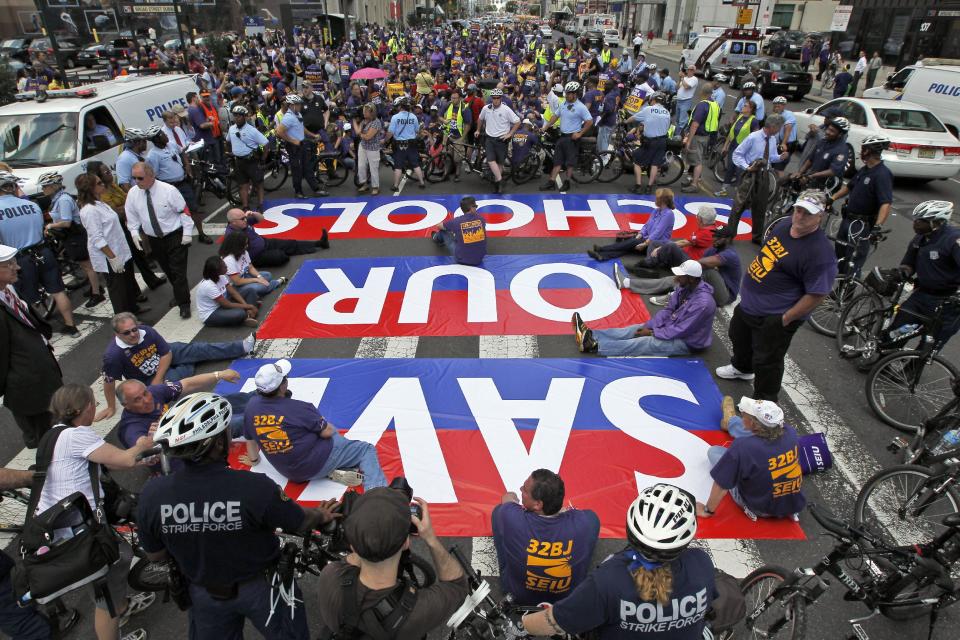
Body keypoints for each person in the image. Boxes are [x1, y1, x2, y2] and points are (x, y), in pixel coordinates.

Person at [137, 391, 339, 639]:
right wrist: (321, 515)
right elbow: (299, 521)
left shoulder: (152, 494)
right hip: (265, 589)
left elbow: (156, 554)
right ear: (219, 443)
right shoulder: (255, 487)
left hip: (203, 594)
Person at [521, 483, 715, 640]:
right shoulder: (702, 564)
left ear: (630, 530)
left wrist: (523, 624)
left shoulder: (607, 581)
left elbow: (553, 622)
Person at [41, 384, 156, 640]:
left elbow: (102, 462)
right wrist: (144, 444)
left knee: (107, 576)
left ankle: (122, 605)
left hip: (61, 530)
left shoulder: (53, 435)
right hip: (82, 533)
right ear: (87, 408)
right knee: (108, 595)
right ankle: (115, 617)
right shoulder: (78, 434)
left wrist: (138, 455)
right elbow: (125, 460)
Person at [717, 190, 838, 400]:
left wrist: (785, 319)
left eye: (807, 213)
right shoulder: (784, 226)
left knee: (768, 360)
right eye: (798, 210)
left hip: (775, 315)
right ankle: (742, 368)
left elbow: (817, 293)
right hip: (749, 305)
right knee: (738, 335)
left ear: (821, 216)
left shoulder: (820, 253)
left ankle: (764, 403)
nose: (800, 216)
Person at [315, 487, 469, 638]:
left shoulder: (329, 577)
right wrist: (430, 538)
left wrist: (364, 532)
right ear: (406, 543)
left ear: (353, 546)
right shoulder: (418, 612)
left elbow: (351, 559)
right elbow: (457, 585)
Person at [243, 358, 387, 488]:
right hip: (314, 463)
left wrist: (254, 461)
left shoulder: (251, 407)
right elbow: (327, 432)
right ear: (282, 386)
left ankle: (333, 471)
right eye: (285, 378)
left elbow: (251, 441)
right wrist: (323, 421)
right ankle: (377, 493)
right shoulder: (299, 408)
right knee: (364, 449)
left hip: (289, 472)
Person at [96, 310, 253, 420]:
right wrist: (111, 407)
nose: (133, 334)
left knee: (199, 348)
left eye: (134, 329)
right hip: (148, 378)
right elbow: (109, 381)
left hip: (163, 358)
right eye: (127, 333)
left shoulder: (147, 331)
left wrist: (159, 377)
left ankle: (241, 346)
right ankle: (189, 364)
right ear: (117, 334)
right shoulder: (113, 355)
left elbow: (166, 353)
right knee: (175, 384)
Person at [492, 469, 600, 605]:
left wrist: (513, 495)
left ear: (538, 504)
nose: (521, 489)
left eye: (524, 490)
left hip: (517, 595)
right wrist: (564, 512)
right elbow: (587, 515)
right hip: (567, 598)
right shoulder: (585, 522)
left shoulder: (512, 518)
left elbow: (507, 499)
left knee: (498, 513)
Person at [575, 259, 717, 357]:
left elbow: (682, 330)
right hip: (674, 327)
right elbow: (668, 310)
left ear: (691, 278)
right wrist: (649, 326)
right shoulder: (683, 286)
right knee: (635, 329)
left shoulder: (703, 304)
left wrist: (652, 333)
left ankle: (595, 346)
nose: (676, 277)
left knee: (643, 343)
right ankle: (591, 334)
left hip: (687, 342)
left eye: (680, 275)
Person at [698, 396, 805, 520]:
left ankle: (731, 421)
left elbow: (722, 485)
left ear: (753, 423)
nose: (743, 414)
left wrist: (707, 511)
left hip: (758, 508)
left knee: (714, 452)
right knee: (746, 431)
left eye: (744, 415)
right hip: (792, 504)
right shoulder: (790, 433)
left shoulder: (742, 447)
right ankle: (732, 422)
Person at [0, 244, 63, 448]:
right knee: (43, 439)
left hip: (44, 378)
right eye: (9, 264)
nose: (16, 267)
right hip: (27, 391)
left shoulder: (8, 289)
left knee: (59, 427)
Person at [0, 171, 78, 334]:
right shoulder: (33, 205)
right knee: (58, 290)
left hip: (19, 259)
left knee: (25, 299)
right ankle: (70, 325)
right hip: (43, 251)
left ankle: (37, 332)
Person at [887, 201, 960, 350]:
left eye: (921, 221)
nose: (916, 223)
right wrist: (903, 272)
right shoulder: (920, 238)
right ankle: (882, 360)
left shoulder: (952, 240)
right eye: (916, 219)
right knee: (896, 331)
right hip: (922, 295)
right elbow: (908, 263)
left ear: (937, 222)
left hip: (948, 303)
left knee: (930, 344)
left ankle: (910, 371)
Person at [114, 367, 246, 450]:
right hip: (181, 450)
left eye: (145, 393)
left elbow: (187, 384)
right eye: (137, 399)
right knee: (242, 421)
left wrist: (219, 375)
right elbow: (139, 446)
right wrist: (151, 439)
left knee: (219, 402)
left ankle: (263, 395)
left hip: (183, 426)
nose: (147, 400)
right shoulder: (131, 427)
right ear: (126, 406)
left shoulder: (154, 391)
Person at [124, 162, 193, 319]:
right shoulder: (133, 194)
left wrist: (187, 233)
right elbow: (132, 216)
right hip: (155, 239)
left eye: (140, 178)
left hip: (174, 236)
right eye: (134, 178)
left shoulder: (168, 191)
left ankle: (184, 304)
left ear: (151, 175)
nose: (136, 182)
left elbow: (184, 211)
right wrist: (134, 233)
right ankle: (179, 293)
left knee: (178, 271)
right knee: (168, 269)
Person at [87, 161, 167, 293]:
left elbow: (128, 200)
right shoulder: (101, 195)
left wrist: (127, 207)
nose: (110, 173)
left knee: (138, 254)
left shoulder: (112, 186)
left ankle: (150, 280)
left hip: (126, 225)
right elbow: (117, 211)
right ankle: (135, 292)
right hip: (116, 231)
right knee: (127, 262)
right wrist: (127, 208)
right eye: (106, 172)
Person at [617, 229, 742, 308]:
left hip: (725, 295)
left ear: (728, 240)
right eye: (715, 235)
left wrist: (686, 271)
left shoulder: (730, 254)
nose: (714, 239)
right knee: (679, 265)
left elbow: (703, 264)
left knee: (705, 271)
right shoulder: (714, 248)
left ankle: (676, 294)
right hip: (710, 285)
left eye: (719, 237)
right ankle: (631, 279)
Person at [75, 173, 140, 315]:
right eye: (98, 183)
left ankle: (134, 312)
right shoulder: (89, 211)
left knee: (128, 286)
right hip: (110, 257)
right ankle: (124, 318)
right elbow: (97, 238)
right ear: (90, 188)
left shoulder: (100, 203)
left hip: (121, 251)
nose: (103, 184)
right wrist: (113, 258)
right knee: (119, 291)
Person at [828, 135, 893, 275]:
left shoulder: (882, 174)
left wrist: (878, 226)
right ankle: (836, 292)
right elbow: (849, 187)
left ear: (871, 151)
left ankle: (846, 294)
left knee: (853, 262)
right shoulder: (864, 169)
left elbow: (885, 203)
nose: (861, 151)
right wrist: (832, 198)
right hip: (847, 220)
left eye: (864, 148)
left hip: (861, 225)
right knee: (839, 257)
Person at [39, 171, 104, 307]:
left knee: (87, 266)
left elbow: (66, 222)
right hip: (70, 236)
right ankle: (95, 287)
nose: (43, 189)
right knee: (85, 265)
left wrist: (51, 225)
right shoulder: (58, 198)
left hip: (75, 235)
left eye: (45, 186)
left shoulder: (63, 200)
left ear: (54, 186)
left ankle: (97, 293)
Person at [725, 114, 787, 244]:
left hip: (765, 175)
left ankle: (757, 236)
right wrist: (747, 167)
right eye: (779, 127)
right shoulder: (753, 137)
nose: (779, 130)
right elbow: (737, 154)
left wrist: (780, 157)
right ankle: (729, 233)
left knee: (761, 207)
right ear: (773, 126)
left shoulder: (772, 139)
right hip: (751, 175)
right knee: (739, 205)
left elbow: (772, 157)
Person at [145, 126, 207, 244]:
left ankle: (201, 234)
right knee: (177, 213)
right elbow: (154, 175)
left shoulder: (172, 144)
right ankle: (183, 238)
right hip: (171, 187)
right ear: (156, 139)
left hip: (183, 182)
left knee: (194, 209)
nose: (165, 135)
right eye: (162, 134)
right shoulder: (153, 156)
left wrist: (187, 166)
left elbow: (182, 151)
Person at [589, 188, 675, 262]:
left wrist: (645, 243)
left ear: (662, 200)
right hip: (645, 238)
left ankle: (602, 249)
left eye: (657, 198)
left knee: (631, 243)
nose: (655, 199)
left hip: (655, 244)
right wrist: (640, 234)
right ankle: (602, 256)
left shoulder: (668, 214)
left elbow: (658, 233)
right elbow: (647, 225)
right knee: (629, 246)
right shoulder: (656, 211)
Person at [630, 204, 718, 275]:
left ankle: (646, 264)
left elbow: (684, 242)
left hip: (691, 262)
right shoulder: (711, 227)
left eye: (698, 214)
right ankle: (651, 264)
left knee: (670, 246)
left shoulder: (706, 232)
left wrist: (661, 249)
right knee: (655, 243)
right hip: (687, 256)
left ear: (700, 219)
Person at [224, 208, 327, 269]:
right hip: (257, 256)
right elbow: (239, 254)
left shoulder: (243, 222)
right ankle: (283, 253)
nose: (245, 220)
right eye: (242, 219)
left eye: (245, 217)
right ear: (233, 222)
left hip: (265, 242)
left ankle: (319, 243)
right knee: (281, 256)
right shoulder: (231, 235)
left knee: (290, 243)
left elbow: (261, 218)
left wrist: (253, 213)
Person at [540, 82, 592, 193]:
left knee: (569, 162)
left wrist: (580, 133)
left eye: (569, 93)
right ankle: (551, 182)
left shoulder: (581, 107)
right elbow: (555, 116)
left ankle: (567, 182)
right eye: (566, 93)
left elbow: (589, 121)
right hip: (562, 136)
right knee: (557, 161)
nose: (567, 95)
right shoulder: (563, 103)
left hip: (572, 138)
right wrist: (546, 126)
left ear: (575, 94)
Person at [277, 94, 328, 199]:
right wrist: (292, 140)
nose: (300, 106)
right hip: (293, 146)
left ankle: (316, 189)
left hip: (301, 144)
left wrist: (313, 135)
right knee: (297, 169)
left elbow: (302, 127)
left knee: (307, 167)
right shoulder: (288, 117)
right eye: (298, 104)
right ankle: (298, 191)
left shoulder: (298, 114)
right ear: (292, 105)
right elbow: (279, 132)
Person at [196, 256, 260, 328]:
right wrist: (249, 306)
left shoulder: (221, 276)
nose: (226, 266)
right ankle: (247, 314)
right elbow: (227, 305)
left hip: (224, 302)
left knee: (250, 290)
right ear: (217, 271)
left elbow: (233, 293)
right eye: (224, 267)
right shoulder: (208, 286)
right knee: (240, 313)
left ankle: (248, 315)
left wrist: (246, 307)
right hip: (212, 313)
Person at [220, 232, 284, 302]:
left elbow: (250, 267)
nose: (247, 246)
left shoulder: (243, 252)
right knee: (260, 287)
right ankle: (275, 283)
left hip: (244, 276)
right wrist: (256, 280)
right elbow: (237, 282)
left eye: (247, 243)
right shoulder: (229, 260)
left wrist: (259, 276)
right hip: (233, 287)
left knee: (267, 275)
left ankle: (254, 294)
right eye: (244, 244)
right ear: (237, 246)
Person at [226, 105, 269, 211]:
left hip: (252, 161)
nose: (236, 118)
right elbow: (227, 141)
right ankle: (245, 206)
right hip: (239, 162)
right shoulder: (231, 129)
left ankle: (261, 204)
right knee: (242, 185)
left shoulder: (252, 130)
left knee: (258, 184)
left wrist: (263, 160)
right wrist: (230, 152)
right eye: (235, 115)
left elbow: (266, 144)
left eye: (239, 116)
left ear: (245, 117)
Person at [627, 92, 671, 194]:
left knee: (637, 161)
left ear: (654, 100)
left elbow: (634, 118)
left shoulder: (648, 109)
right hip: (662, 141)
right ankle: (649, 187)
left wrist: (624, 122)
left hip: (650, 141)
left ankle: (638, 186)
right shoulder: (667, 112)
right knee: (655, 164)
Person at [478, 88, 520, 194]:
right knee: (491, 160)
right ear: (491, 98)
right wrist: (478, 129)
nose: (495, 100)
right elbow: (480, 119)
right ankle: (501, 181)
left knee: (500, 163)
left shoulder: (506, 109)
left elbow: (517, 121)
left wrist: (510, 134)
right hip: (489, 138)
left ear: (501, 98)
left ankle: (498, 186)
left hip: (502, 139)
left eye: (497, 98)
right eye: (493, 98)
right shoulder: (486, 108)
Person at [714, 100, 759, 197]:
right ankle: (724, 189)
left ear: (750, 109)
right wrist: (725, 146)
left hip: (744, 151)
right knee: (730, 168)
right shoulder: (740, 117)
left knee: (740, 172)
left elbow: (756, 137)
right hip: (733, 147)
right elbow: (731, 133)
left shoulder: (754, 121)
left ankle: (740, 193)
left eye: (745, 106)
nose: (743, 107)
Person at [790, 116, 850, 189]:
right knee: (787, 182)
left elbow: (832, 171)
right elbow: (810, 159)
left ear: (840, 135)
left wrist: (811, 176)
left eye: (832, 131)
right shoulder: (822, 141)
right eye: (828, 129)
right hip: (812, 177)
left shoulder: (842, 150)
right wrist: (800, 173)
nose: (827, 132)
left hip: (826, 185)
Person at [680, 85, 720, 194]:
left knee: (697, 161)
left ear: (702, 92)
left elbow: (695, 124)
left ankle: (694, 184)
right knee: (697, 159)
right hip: (707, 135)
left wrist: (688, 140)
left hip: (698, 136)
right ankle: (693, 180)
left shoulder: (702, 105)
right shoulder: (715, 104)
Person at [383, 97, 427, 192]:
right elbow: (417, 131)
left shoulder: (395, 117)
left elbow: (390, 132)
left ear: (400, 106)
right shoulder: (413, 117)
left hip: (399, 145)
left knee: (398, 166)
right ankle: (422, 183)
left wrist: (385, 140)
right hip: (411, 143)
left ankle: (395, 186)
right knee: (415, 164)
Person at [431, 196, 488, 265]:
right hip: (479, 258)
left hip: (462, 259)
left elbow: (439, 226)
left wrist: (449, 227)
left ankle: (436, 238)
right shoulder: (481, 219)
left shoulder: (457, 221)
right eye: (475, 206)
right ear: (472, 208)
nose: (476, 208)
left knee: (443, 231)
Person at [356, 104, 384, 195]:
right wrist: (354, 121)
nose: (364, 113)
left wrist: (361, 134)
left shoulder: (376, 122)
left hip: (373, 148)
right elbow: (358, 132)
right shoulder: (363, 121)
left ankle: (375, 187)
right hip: (363, 146)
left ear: (372, 112)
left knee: (373, 168)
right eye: (364, 111)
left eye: (366, 111)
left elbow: (368, 137)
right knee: (361, 166)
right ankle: (364, 184)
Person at [770, 96, 798, 178]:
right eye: (775, 105)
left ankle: (780, 187)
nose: (776, 107)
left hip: (787, 144)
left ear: (783, 106)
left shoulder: (789, 114)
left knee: (779, 167)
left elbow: (788, 129)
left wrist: (784, 143)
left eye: (779, 106)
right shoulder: (775, 115)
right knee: (772, 164)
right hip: (778, 143)